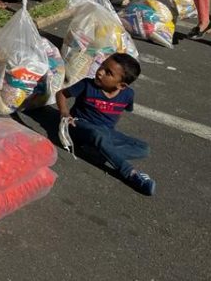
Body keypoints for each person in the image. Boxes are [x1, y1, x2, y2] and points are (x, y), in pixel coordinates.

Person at [56, 53, 155, 195]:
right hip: (79, 126)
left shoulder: (128, 95)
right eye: (102, 66)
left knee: (144, 148)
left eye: (108, 73)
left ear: (121, 85)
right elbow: (61, 94)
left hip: (106, 131)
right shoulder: (87, 85)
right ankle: (131, 174)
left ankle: (101, 152)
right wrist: (65, 113)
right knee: (99, 134)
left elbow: (125, 108)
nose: (100, 71)